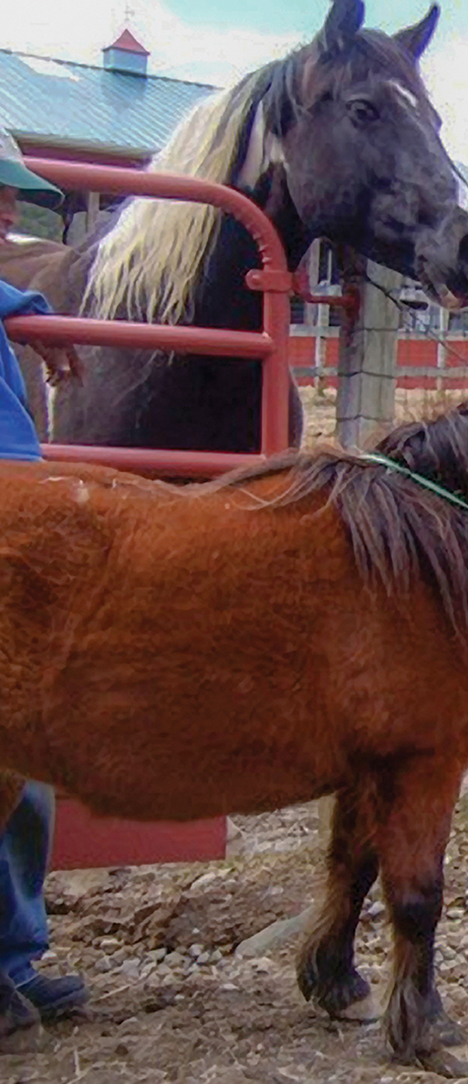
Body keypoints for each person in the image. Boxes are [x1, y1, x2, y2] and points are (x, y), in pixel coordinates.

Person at [0, 133, 88, 1043]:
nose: (11, 212)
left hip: (21, 515)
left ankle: (12, 959)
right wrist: (27, 300)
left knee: (22, 758)